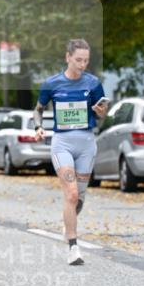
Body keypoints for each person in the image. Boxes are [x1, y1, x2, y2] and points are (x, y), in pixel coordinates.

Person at [33, 39, 109, 266]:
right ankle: (73, 248)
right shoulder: (52, 84)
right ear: (68, 57)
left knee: (80, 197)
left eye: (86, 60)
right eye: (78, 60)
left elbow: (102, 116)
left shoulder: (94, 83)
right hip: (62, 143)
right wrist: (38, 127)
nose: (82, 64)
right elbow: (38, 110)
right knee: (71, 194)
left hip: (86, 143)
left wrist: (100, 112)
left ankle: (69, 218)